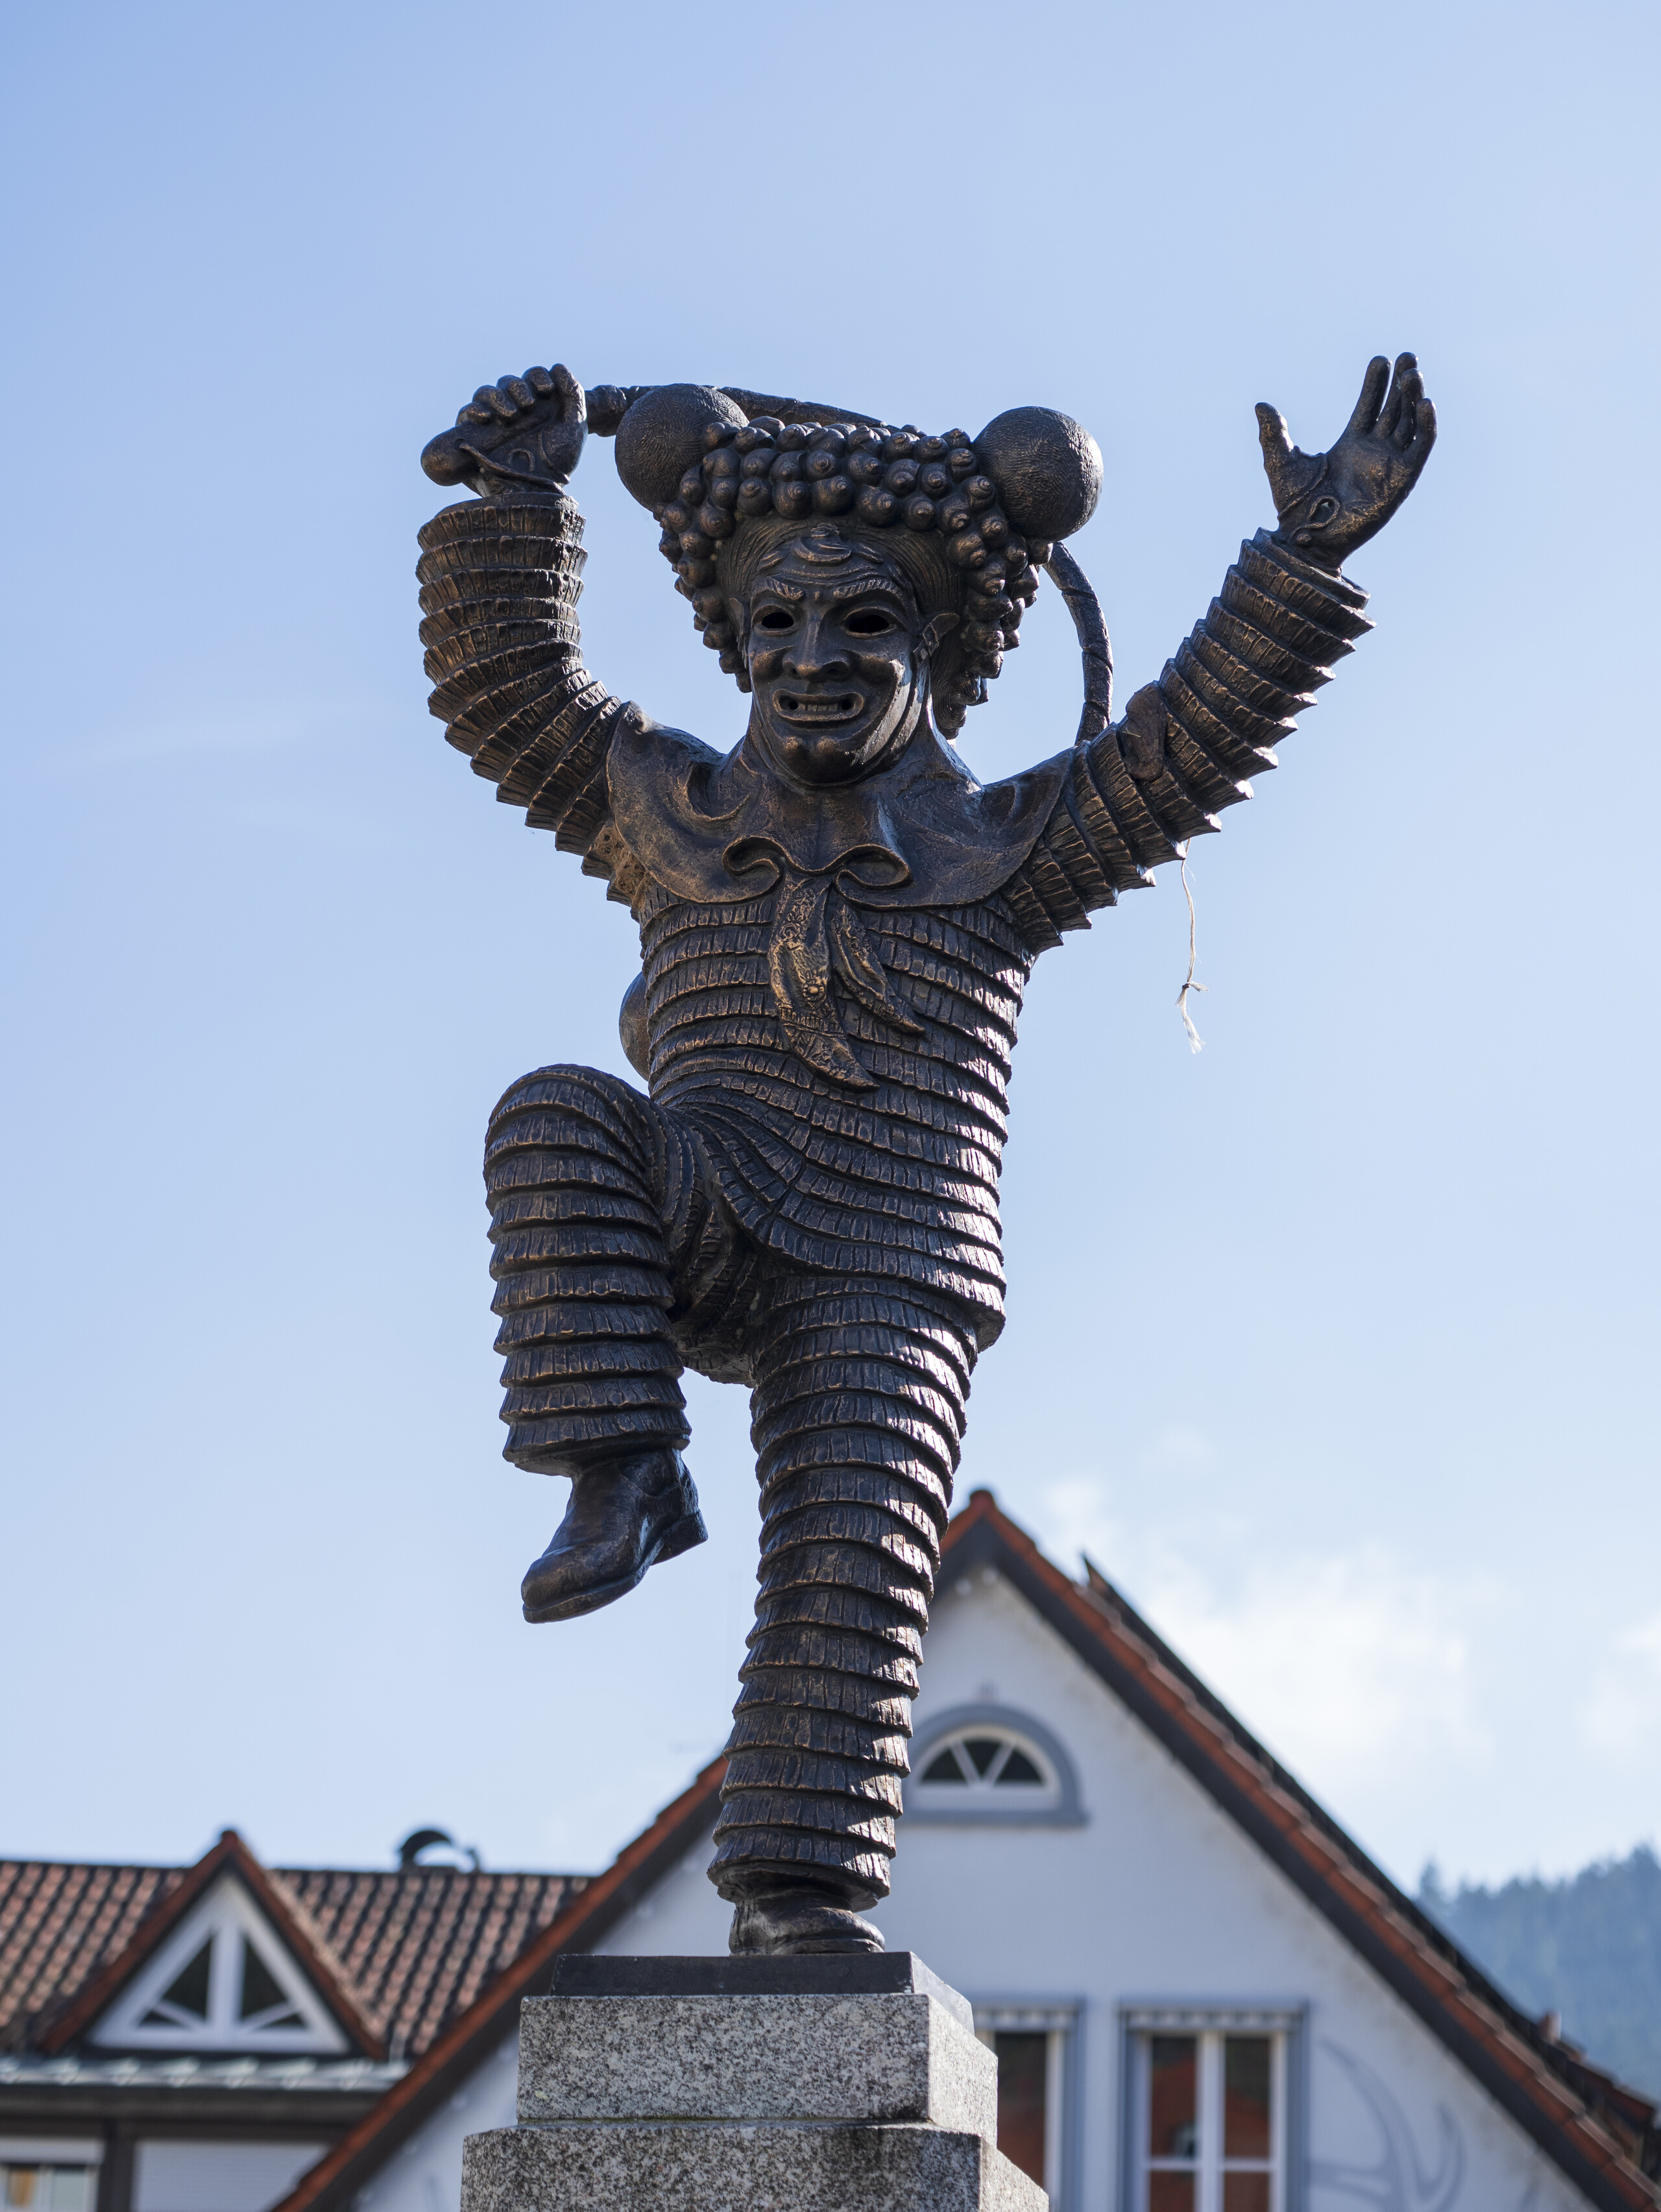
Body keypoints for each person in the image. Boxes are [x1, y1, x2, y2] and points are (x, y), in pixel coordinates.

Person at [415, 358, 1435, 1953]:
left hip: (895, 1257)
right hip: (709, 1187)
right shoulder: (665, 812)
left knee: (853, 1566)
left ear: (939, 650)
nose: (811, 660)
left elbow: (1185, 747)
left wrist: (1298, 559)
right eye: (775, 625)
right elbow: (505, 692)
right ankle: (624, 1469)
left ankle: (797, 1894)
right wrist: (515, 497)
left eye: (863, 626)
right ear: (734, 637)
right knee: (554, 1113)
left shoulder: (1005, 846)